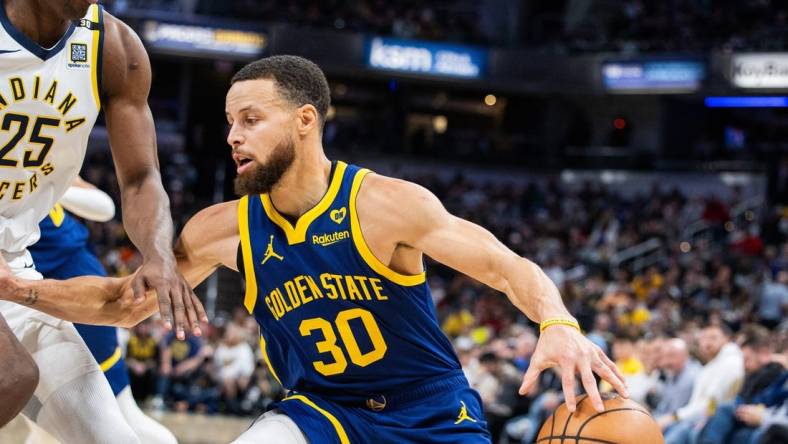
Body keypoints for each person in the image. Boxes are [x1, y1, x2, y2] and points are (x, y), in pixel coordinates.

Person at [2, 55, 628, 443]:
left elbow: (506, 267)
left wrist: (559, 322)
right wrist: (14, 288)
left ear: (305, 120)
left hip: (429, 413)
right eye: (228, 122)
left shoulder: (386, 205)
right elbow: (121, 304)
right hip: (321, 413)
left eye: (250, 120)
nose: (232, 136)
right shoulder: (222, 228)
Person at [0, 0, 204, 442]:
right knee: (11, 377)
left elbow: (140, 177)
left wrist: (157, 253)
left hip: (12, 262)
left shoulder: (114, 47)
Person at [28, 178, 177, 444]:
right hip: (19, 293)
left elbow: (105, 207)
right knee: (46, 427)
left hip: (72, 279)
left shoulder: (29, 152)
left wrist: (47, 186)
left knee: (123, 415)